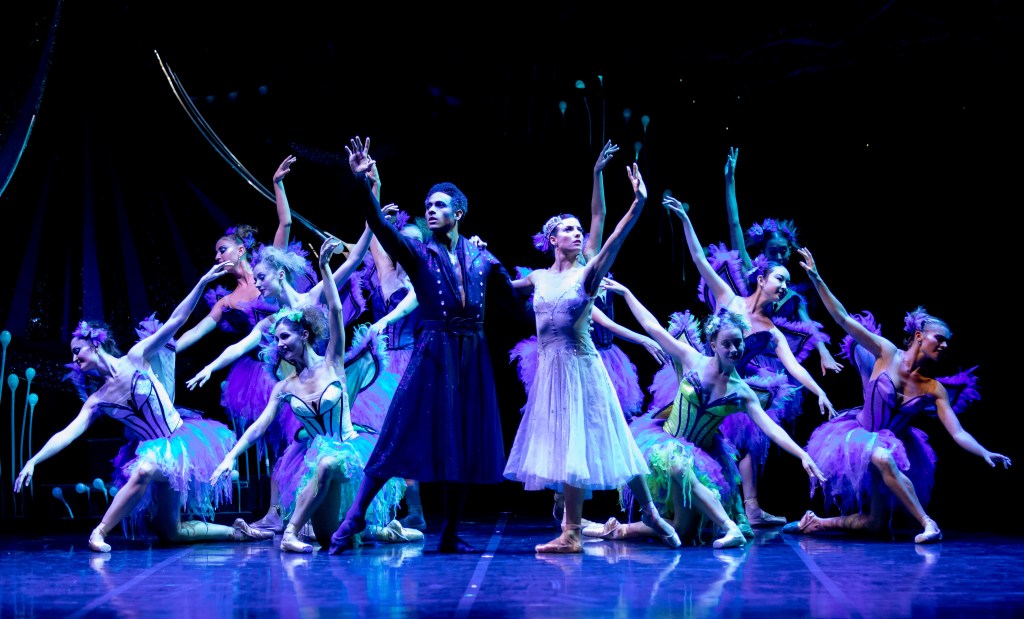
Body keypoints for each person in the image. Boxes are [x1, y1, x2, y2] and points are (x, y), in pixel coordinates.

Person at [328, 136, 529, 555]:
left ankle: (451, 532)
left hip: (471, 357)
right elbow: (381, 227)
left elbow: (517, 306)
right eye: (428, 205)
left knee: (464, 441)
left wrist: (564, 293)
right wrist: (364, 184)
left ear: (459, 213)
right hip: (432, 352)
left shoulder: (485, 261)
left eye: (439, 205)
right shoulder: (418, 253)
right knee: (397, 431)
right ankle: (354, 518)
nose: (430, 211)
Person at [13, 264, 273, 552]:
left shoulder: (136, 357)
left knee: (145, 470)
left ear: (95, 344)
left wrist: (201, 283)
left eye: (78, 349)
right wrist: (34, 460)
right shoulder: (97, 400)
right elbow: (67, 433)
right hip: (153, 447)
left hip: (183, 443)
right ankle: (234, 533)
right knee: (170, 532)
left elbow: (176, 321)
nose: (74, 358)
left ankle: (99, 532)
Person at [502, 161, 680, 554]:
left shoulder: (587, 275)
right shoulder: (537, 277)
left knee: (602, 440)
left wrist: (638, 204)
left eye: (580, 229)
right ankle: (596, 525)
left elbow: (612, 235)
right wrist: (476, 259)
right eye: (568, 228)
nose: (578, 232)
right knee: (572, 446)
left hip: (582, 369)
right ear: (551, 238)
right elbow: (500, 289)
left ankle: (588, 528)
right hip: (550, 373)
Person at [782, 247, 1011, 543]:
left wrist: (984, 451)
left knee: (877, 526)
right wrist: (816, 277)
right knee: (883, 456)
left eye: (947, 343)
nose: (944, 346)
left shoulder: (933, 389)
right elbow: (841, 319)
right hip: (857, 436)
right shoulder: (886, 352)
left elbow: (958, 432)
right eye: (939, 339)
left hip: (895, 445)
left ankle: (815, 523)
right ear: (919, 336)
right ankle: (928, 524)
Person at [210, 237, 417, 552]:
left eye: (283, 338)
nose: (277, 345)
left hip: (349, 450)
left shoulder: (333, 361)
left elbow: (334, 308)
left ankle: (289, 534)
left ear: (303, 335)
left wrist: (323, 267)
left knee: (326, 464)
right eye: (276, 339)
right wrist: (230, 456)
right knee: (328, 536)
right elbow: (259, 427)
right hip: (317, 452)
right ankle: (384, 531)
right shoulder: (285, 386)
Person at [588, 284, 827, 548]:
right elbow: (652, 327)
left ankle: (614, 530)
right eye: (727, 344)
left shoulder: (742, 392)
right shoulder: (692, 359)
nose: (734, 349)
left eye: (738, 343)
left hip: (700, 456)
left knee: (682, 532)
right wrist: (626, 293)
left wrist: (802, 454)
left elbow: (770, 427)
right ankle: (729, 526)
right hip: (663, 441)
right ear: (713, 344)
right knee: (677, 462)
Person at [665, 194, 836, 529]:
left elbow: (794, 366)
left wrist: (819, 391)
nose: (785, 287)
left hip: (733, 390)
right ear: (761, 279)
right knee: (685, 435)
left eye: (788, 283)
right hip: (702, 378)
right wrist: (686, 221)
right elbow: (699, 259)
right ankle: (674, 506)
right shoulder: (729, 298)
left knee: (736, 446)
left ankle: (737, 510)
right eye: (780, 280)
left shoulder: (773, 332)